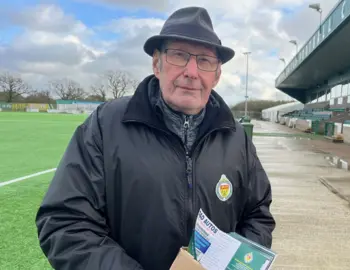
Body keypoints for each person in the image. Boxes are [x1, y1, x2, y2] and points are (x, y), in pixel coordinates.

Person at [35, 6, 276, 270]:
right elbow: (65, 221)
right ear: (156, 63)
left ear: (217, 75)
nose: (192, 72)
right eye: (179, 56)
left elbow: (257, 216)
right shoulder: (106, 125)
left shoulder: (235, 137)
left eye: (205, 61)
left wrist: (237, 264)